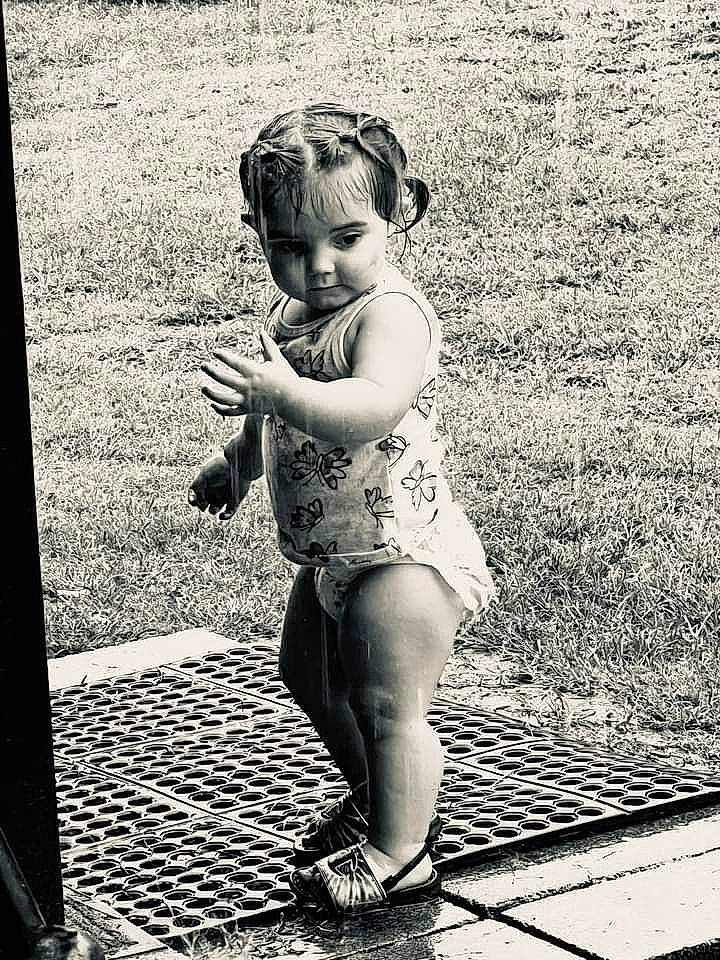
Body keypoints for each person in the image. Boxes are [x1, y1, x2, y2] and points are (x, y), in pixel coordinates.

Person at [188, 103, 496, 915]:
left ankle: (402, 855)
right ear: (256, 230)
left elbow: (368, 408)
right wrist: (236, 461)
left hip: (400, 550)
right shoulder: (293, 316)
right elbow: (273, 415)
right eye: (289, 246)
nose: (319, 266)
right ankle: (380, 799)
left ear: (397, 214)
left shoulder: (389, 313)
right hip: (333, 550)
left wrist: (282, 391)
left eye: (346, 239)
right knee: (311, 678)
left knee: (390, 703)